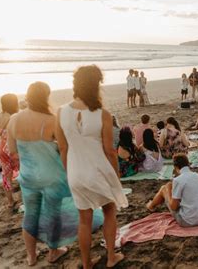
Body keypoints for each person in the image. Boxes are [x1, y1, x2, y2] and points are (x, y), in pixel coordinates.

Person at [8, 82, 98, 266]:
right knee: (53, 214)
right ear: (45, 96)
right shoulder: (51, 119)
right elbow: (64, 147)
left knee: (30, 215)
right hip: (51, 176)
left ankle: (31, 256)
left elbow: (12, 151)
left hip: (28, 176)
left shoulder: (14, 119)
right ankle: (53, 251)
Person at [57, 65, 128, 268]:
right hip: (99, 170)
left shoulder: (61, 112)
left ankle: (87, 264)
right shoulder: (102, 114)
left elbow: (62, 147)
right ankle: (111, 257)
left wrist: (69, 172)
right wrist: (116, 175)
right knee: (109, 211)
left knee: (84, 220)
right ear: (96, 85)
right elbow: (109, 150)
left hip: (76, 172)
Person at [146, 154, 198, 227]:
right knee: (169, 187)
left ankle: (151, 206)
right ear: (188, 164)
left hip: (187, 221)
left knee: (165, 188)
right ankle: (152, 205)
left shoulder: (178, 180)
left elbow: (174, 207)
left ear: (175, 167)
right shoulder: (196, 175)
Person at [0, 93, 19, 208]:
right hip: (16, 148)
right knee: (25, 173)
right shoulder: (16, 116)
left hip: (3, 149)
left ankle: (10, 201)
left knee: (6, 176)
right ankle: (26, 198)